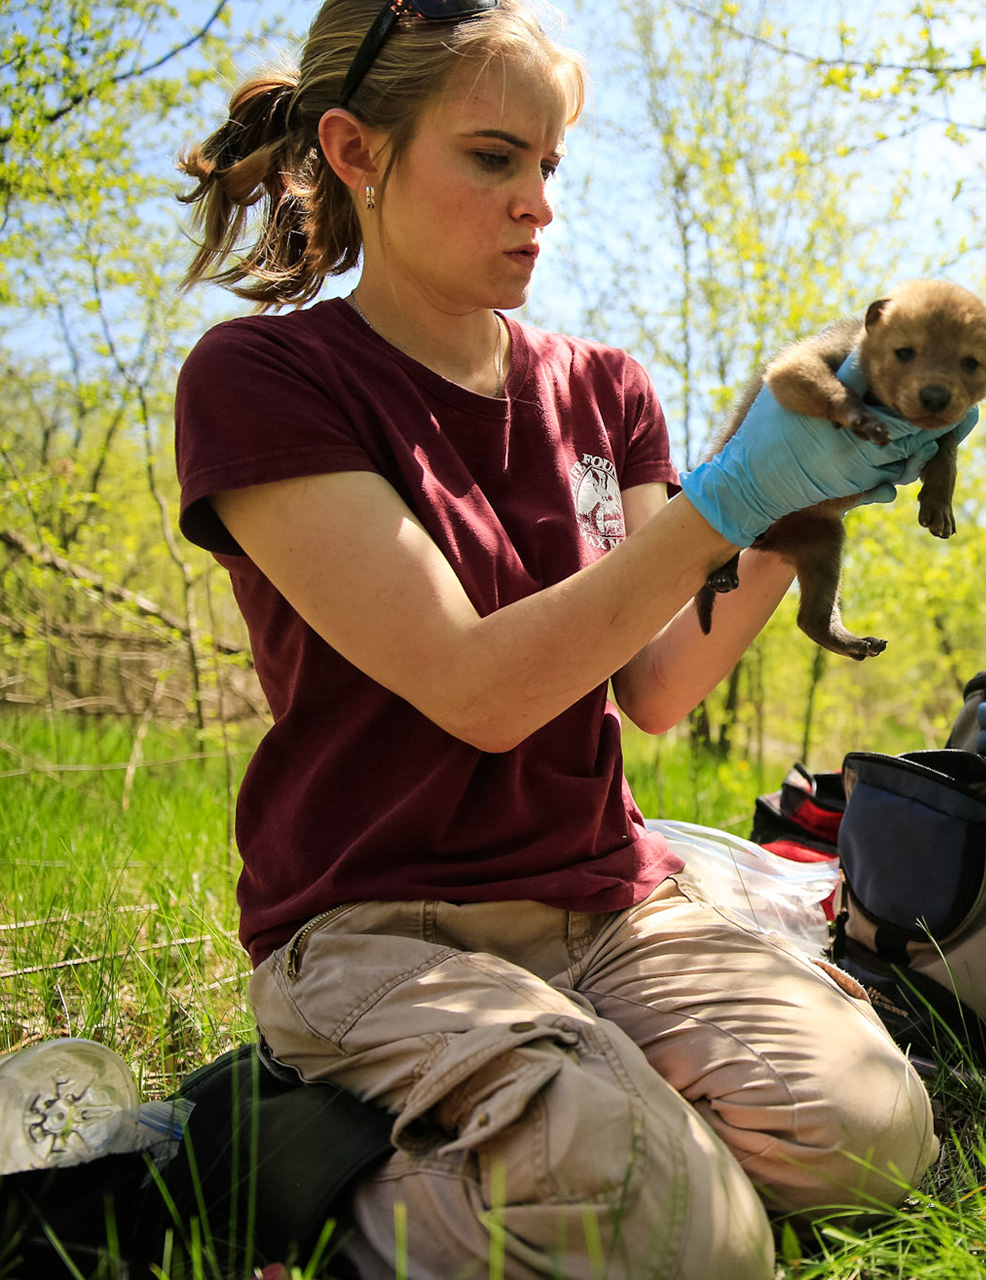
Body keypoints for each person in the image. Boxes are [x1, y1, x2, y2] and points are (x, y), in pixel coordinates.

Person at [170, 2, 936, 1274]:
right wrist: (722, 503)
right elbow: (478, 688)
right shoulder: (266, 380)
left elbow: (658, 683)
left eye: (551, 163)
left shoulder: (603, 386)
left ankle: (560, 1118)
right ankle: (245, 1162)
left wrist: (795, 507)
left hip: (608, 905)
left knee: (871, 1131)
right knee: (688, 1228)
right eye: (491, 158)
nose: (538, 201)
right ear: (359, 153)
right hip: (385, 923)